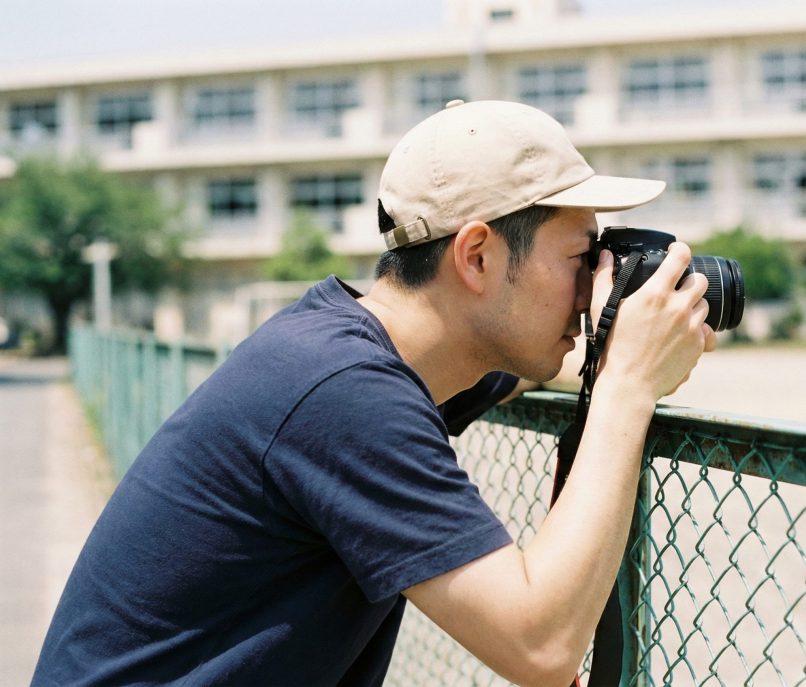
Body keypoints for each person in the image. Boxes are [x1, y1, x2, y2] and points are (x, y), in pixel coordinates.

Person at [33, 100, 714, 686]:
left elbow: (527, 369)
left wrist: (618, 339)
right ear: (477, 256)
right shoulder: (343, 394)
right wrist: (625, 386)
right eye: (581, 258)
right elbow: (539, 645)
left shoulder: (349, 350)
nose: (594, 280)